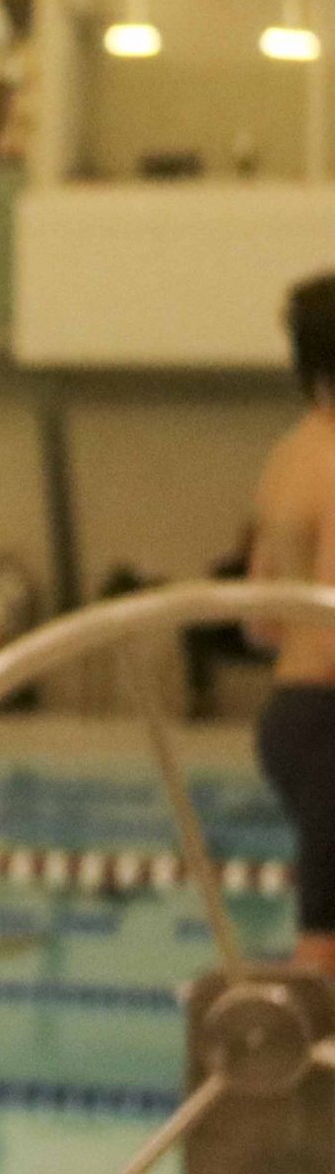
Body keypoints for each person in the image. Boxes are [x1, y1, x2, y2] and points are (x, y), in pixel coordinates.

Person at [248, 272, 335, 979]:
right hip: (333, 720)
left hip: (290, 715)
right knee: (323, 949)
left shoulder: (289, 453)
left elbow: (262, 619)